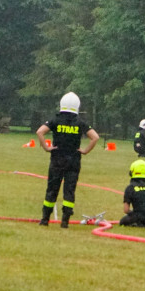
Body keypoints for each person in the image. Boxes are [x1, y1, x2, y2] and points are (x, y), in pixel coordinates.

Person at [36, 91, 100, 228]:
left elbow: (40, 132)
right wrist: (85, 151)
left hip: (57, 159)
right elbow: (95, 137)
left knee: (52, 189)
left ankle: (45, 220)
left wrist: (46, 148)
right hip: (73, 161)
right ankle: (65, 222)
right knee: (69, 190)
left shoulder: (55, 120)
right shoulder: (80, 122)